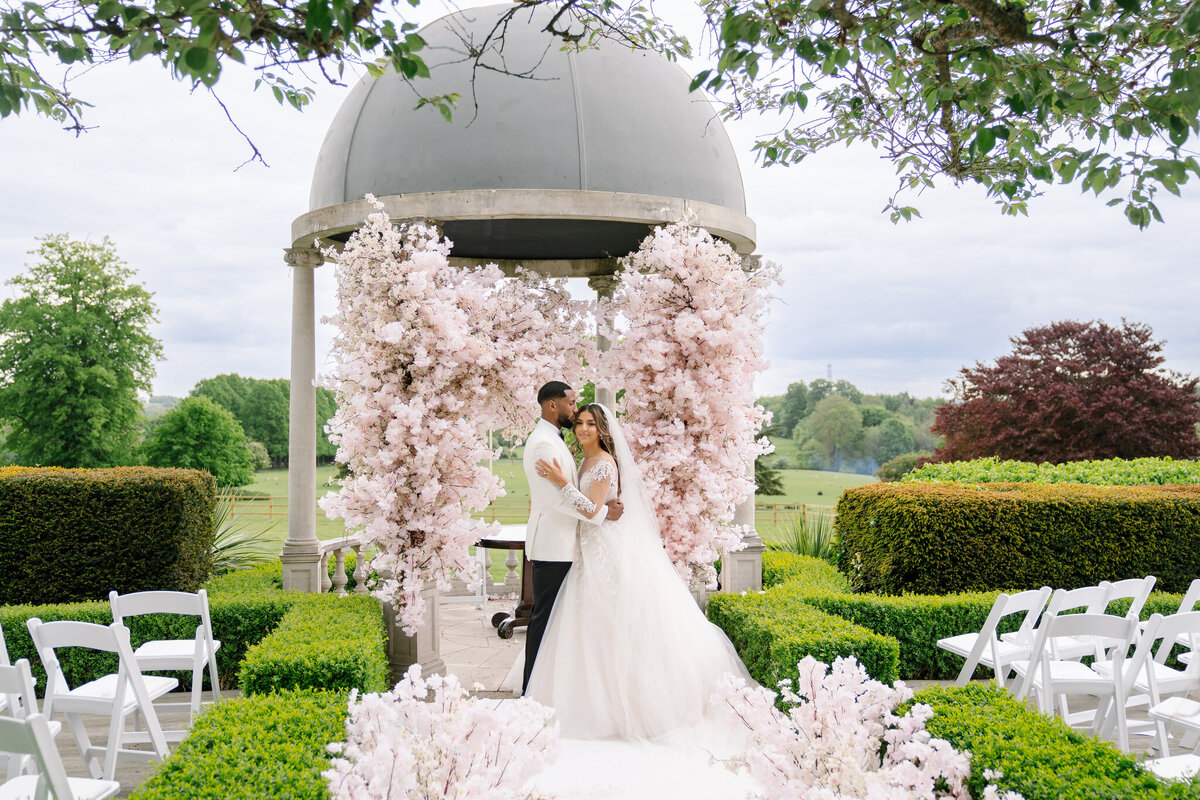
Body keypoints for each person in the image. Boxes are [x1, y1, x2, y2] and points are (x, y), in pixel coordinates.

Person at [517, 401, 754, 742]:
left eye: (591, 424)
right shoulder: (586, 458)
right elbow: (597, 510)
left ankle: (631, 701)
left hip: (603, 548)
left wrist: (560, 481)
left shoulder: (602, 464)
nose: (583, 429)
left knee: (612, 618)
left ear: (602, 430)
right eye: (580, 422)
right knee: (589, 622)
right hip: (589, 545)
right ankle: (591, 697)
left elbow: (591, 508)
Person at [521, 381, 624, 694]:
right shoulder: (544, 444)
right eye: (571, 404)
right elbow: (557, 499)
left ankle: (554, 688)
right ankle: (532, 689)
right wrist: (603, 513)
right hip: (555, 544)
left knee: (558, 622)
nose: (575, 410)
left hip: (569, 545)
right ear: (553, 405)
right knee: (544, 621)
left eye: (588, 422)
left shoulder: (554, 441)